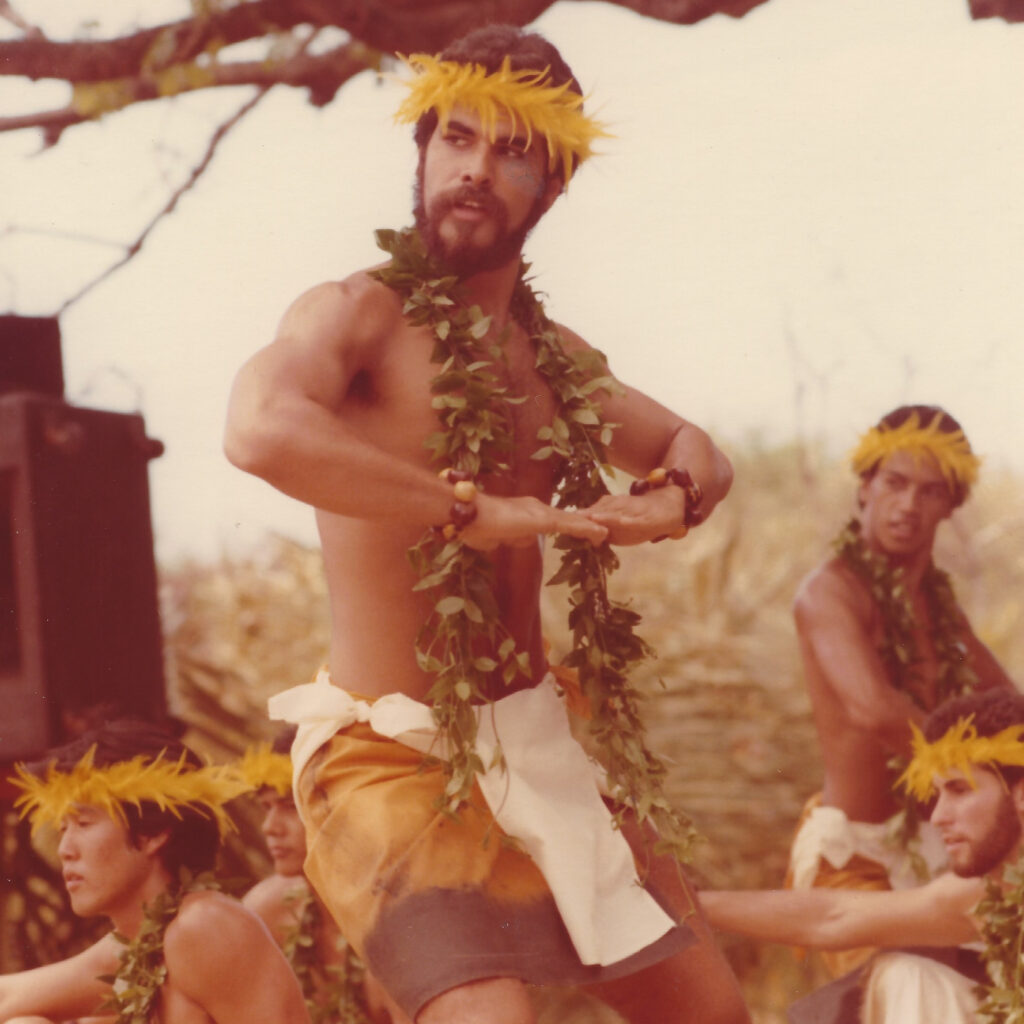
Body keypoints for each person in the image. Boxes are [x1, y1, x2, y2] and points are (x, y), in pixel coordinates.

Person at [224, 23, 746, 1024]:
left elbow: (694, 445)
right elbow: (257, 430)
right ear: (419, 153)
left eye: (512, 150)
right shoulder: (357, 316)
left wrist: (664, 503)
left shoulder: (553, 362)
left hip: (540, 743)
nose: (475, 168)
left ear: (552, 187)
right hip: (393, 758)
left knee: (713, 1015)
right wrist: (465, 508)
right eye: (456, 138)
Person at [788, 404, 1015, 975]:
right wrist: (985, 784)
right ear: (865, 486)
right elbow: (875, 710)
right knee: (894, 992)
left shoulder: (941, 614)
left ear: (952, 503)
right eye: (895, 483)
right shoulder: (830, 594)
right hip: (855, 856)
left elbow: (1008, 709)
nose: (909, 506)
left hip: (938, 853)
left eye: (930, 491)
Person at [701, 687, 1024, 1024]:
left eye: (959, 790)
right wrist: (691, 904)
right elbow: (833, 916)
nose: (939, 815)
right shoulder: (985, 893)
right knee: (908, 976)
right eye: (939, 793)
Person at [0, 718, 310, 1024]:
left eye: (84, 824)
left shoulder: (202, 927)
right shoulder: (136, 945)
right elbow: (9, 997)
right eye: (63, 827)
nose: (64, 848)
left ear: (154, 833)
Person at [237, 733, 384, 1024]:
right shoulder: (266, 910)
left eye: (289, 807)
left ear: (339, 808)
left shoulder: (390, 914)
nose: (270, 827)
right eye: (266, 808)